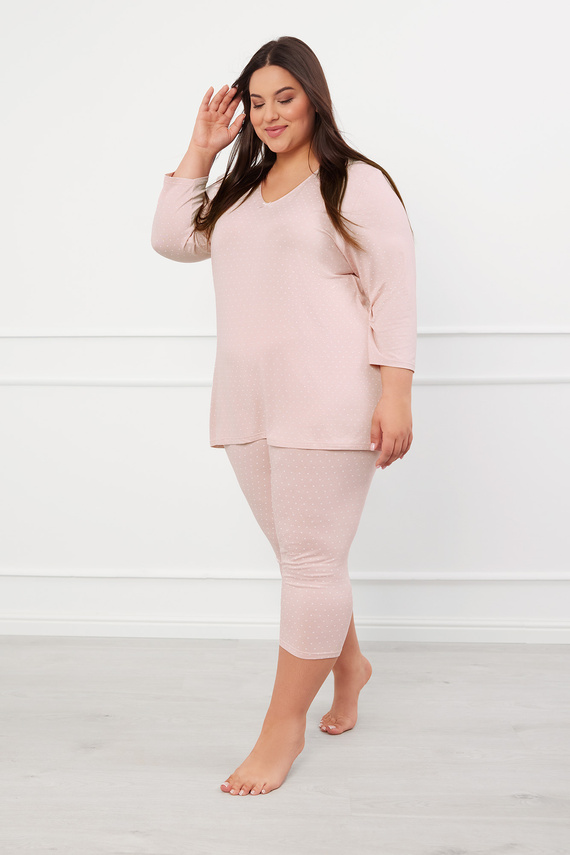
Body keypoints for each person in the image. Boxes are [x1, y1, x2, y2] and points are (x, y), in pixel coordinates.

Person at [151, 35, 416, 797]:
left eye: (284, 98)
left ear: (314, 97)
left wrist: (396, 392)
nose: (270, 115)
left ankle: (282, 727)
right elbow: (172, 239)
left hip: (329, 398)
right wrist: (202, 149)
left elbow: (393, 287)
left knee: (309, 562)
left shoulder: (354, 181)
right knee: (305, 557)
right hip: (248, 399)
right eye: (257, 102)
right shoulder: (241, 189)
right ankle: (350, 665)